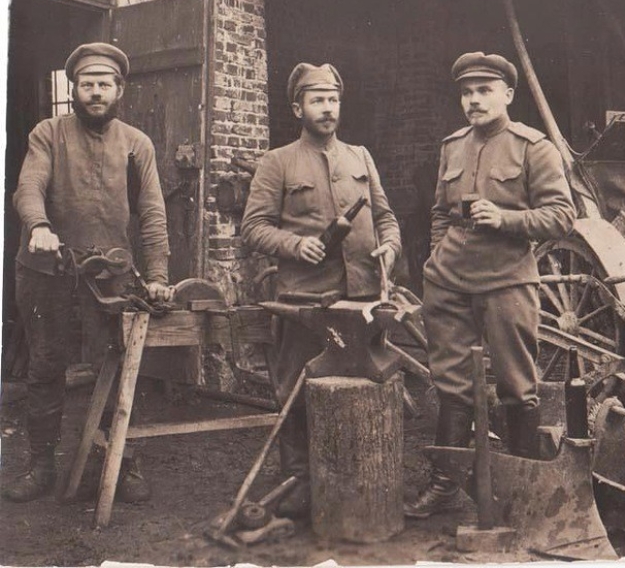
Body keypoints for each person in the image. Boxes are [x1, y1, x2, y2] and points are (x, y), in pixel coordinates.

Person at [404, 52, 577, 518]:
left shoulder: (532, 147)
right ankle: (445, 486)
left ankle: (520, 491)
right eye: (466, 92)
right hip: (448, 284)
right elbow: (439, 210)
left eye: (484, 90)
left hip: (506, 282)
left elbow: (562, 217)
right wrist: (436, 256)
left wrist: (505, 218)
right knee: (452, 386)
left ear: (508, 95)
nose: (474, 100)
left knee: (517, 387)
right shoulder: (453, 145)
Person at [5, 43, 174, 503]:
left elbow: (152, 211)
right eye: (87, 84)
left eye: (104, 85)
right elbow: (30, 184)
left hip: (109, 272)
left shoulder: (137, 143)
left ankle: (119, 461)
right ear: (74, 89)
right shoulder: (47, 134)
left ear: (119, 90)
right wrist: (38, 226)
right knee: (45, 365)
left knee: (117, 364)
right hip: (47, 268)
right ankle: (41, 464)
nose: (95, 93)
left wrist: (157, 273)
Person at [241, 62, 401, 518]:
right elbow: (253, 228)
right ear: (298, 107)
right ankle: (299, 482)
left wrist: (389, 246)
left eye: (332, 99)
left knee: (360, 386)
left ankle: (351, 479)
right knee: (297, 388)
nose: (327, 108)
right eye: (317, 100)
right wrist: (296, 245)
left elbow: (386, 217)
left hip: (362, 298)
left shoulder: (360, 157)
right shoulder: (278, 162)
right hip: (305, 300)